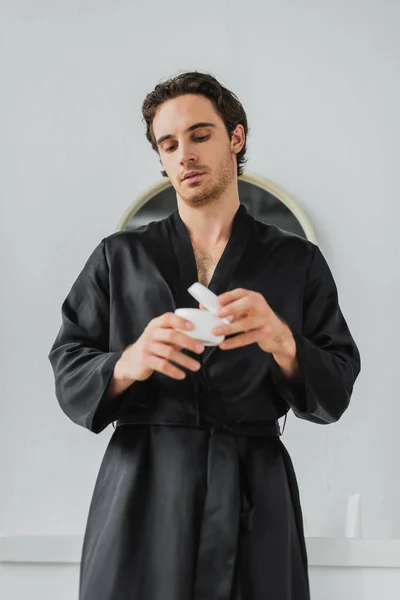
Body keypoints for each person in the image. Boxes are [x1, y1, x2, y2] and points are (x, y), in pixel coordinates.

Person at [49, 71, 361, 600]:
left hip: (254, 488)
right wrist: (129, 361)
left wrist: (283, 341)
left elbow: (337, 385)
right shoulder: (118, 256)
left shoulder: (296, 261)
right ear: (161, 159)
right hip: (143, 487)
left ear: (235, 138)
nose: (184, 155)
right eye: (168, 144)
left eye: (199, 135)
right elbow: (68, 365)